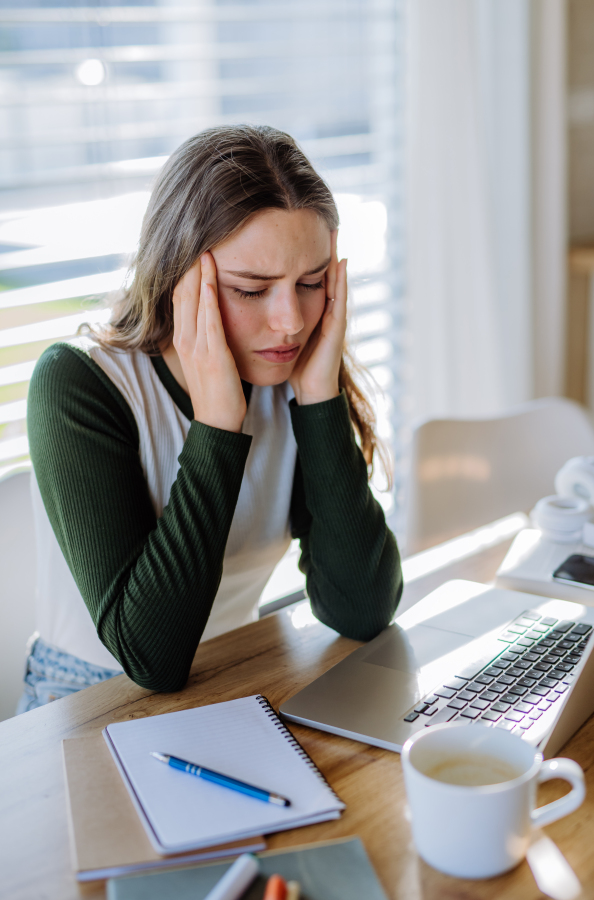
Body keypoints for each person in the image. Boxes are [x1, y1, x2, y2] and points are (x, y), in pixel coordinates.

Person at [19, 125, 402, 713]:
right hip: (89, 696)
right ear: (178, 279)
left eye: (311, 283)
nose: (292, 322)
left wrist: (321, 400)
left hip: (237, 671)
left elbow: (362, 610)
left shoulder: (290, 374)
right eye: (251, 289)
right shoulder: (80, 385)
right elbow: (150, 657)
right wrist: (219, 421)